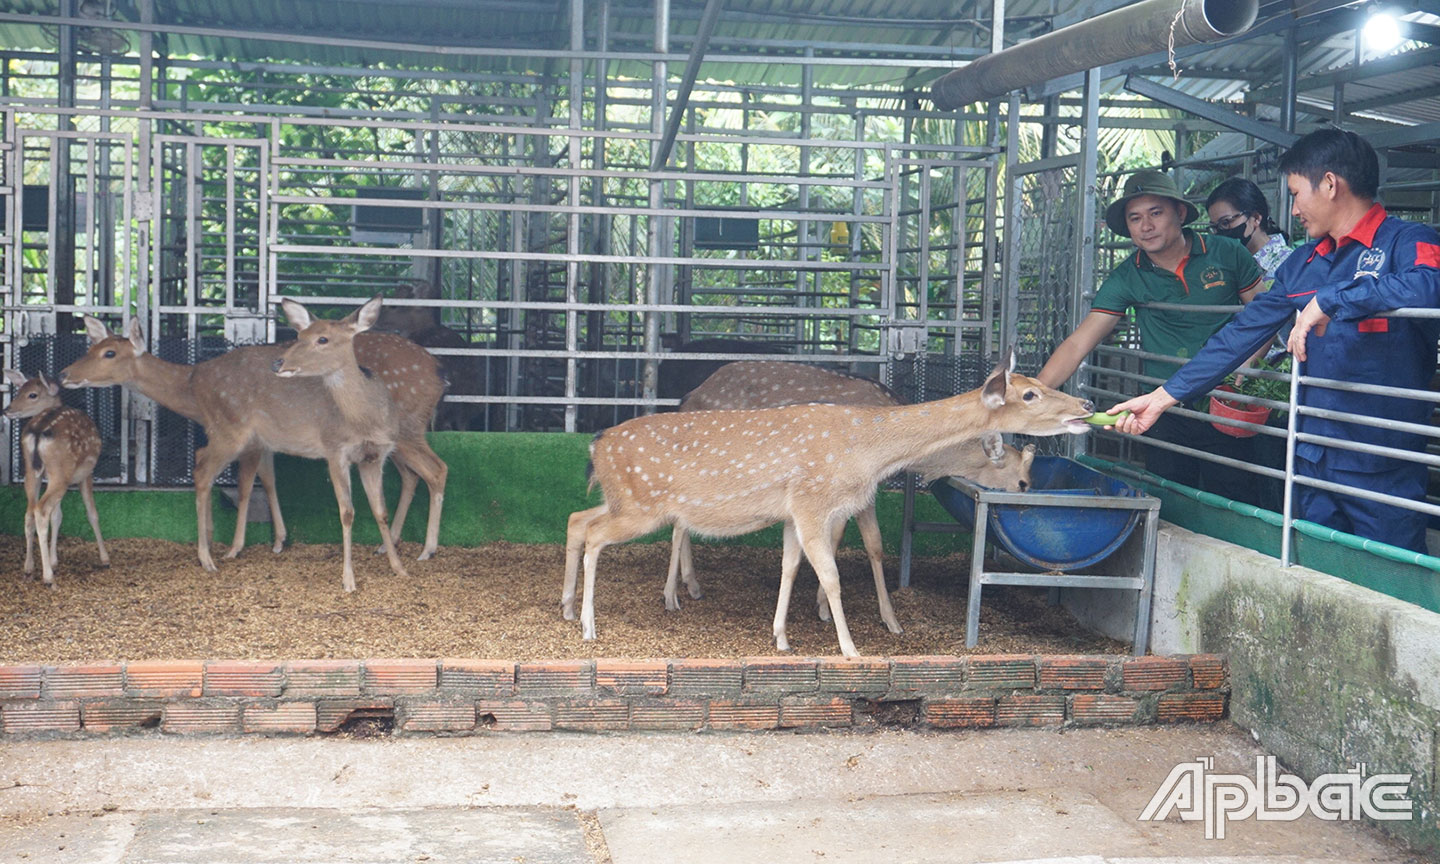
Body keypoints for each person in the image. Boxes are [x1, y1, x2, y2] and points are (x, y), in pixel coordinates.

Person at [1110, 129, 1440, 553]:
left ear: (1330, 184)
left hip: (1382, 462)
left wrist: (1336, 298)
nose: (1294, 208)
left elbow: (1429, 287)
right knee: (1312, 572)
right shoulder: (1302, 263)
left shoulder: (1408, 243)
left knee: (1394, 579)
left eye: (1296, 193)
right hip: (1310, 460)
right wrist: (1162, 397)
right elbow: (1238, 337)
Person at [1037, 169, 1269, 504]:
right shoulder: (1127, 277)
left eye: (1156, 213)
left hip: (1226, 403)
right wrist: (1035, 393)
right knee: (1170, 500)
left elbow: (1265, 316)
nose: (1146, 226)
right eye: (1135, 218)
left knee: (1234, 497)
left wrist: (1242, 373)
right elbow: (1078, 344)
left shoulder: (1228, 254)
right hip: (1161, 407)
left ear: (1181, 212)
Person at [1206, 177, 1294, 281]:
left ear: (1256, 218)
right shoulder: (1226, 265)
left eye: (1225, 222)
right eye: (1214, 227)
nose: (1220, 232)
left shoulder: (1291, 265)